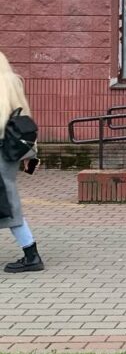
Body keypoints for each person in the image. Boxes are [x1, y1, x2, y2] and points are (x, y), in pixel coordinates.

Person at [0, 52, 44, 272]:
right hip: (10, 149)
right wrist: (32, 154)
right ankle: (31, 253)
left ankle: (31, 255)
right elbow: (25, 118)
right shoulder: (13, 82)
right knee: (7, 200)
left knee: (7, 202)